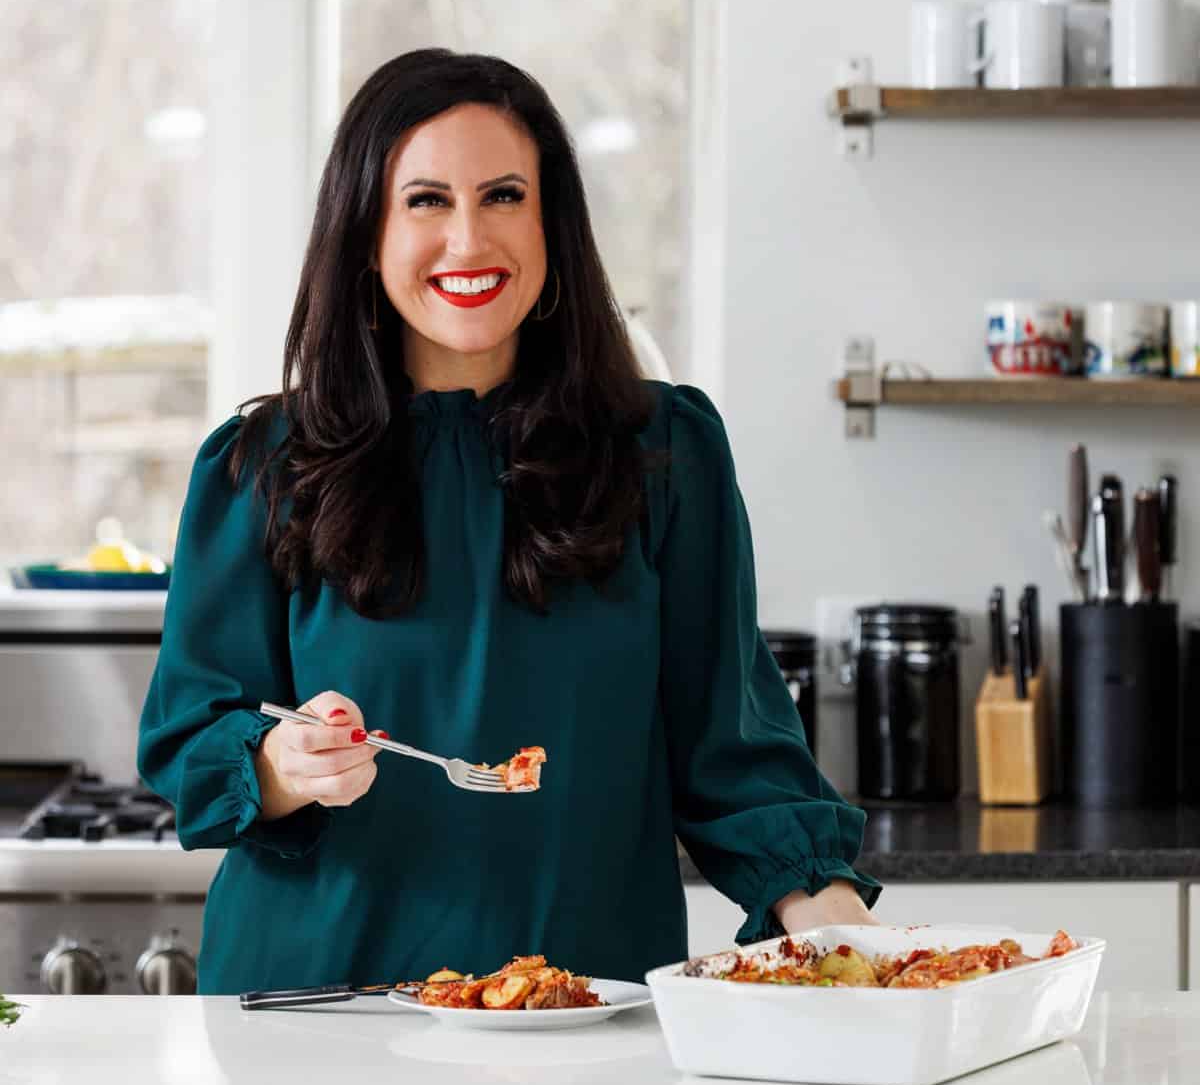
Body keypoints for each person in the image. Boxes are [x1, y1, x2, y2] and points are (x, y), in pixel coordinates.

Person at [138, 48, 880, 993]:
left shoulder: (665, 454)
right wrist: (283, 762)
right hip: (316, 1012)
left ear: (551, 225)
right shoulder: (259, 466)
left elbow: (733, 751)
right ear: (365, 231)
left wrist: (844, 931)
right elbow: (191, 740)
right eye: (426, 201)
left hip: (582, 1014)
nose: (468, 240)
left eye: (502, 196)